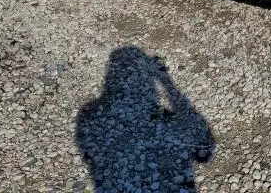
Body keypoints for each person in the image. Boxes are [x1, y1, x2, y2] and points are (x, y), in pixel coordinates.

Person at [76, 46, 214, 192]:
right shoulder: (164, 119)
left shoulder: (89, 113)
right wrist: (166, 81)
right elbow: (204, 150)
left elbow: (89, 155)